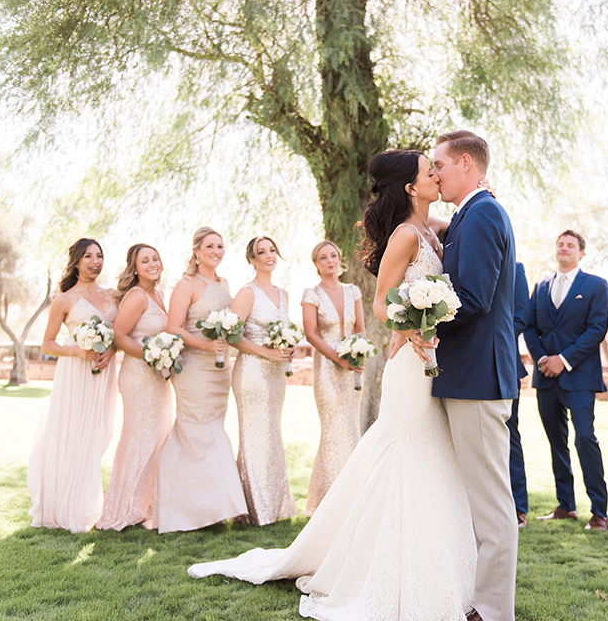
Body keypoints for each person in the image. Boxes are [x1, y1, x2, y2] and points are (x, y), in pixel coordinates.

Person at [189, 149, 478, 621]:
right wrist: (412, 328)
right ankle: (385, 571)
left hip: (434, 358)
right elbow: (383, 304)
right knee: (408, 454)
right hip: (411, 363)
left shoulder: (436, 229)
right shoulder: (406, 235)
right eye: (430, 170)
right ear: (410, 187)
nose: (436, 174)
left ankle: (437, 563)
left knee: (431, 456)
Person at [432, 130, 518, 621]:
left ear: (465, 163)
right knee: (480, 499)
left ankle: (491, 610)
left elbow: (475, 297)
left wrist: (420, 314)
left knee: (491, 504)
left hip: (479, 376)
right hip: (467, 373)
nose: (435, 174)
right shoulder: (471, 213)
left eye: (440, 165)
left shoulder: (484, 212)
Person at [151, 227, 247, 533]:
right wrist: (206, 345)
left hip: (221, 367)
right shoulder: (187, 284)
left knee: (212, 429)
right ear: (196, 251)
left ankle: (212, 509)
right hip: (194, 368)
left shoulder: (225, 283)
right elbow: (173, 327)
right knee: (195, 432)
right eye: (210, 246)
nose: (216, 251)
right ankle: (181, 510)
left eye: (220, 246)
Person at [28, 238, 118, 533]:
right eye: (88, 256)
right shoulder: (64, 300)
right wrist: (79, 351)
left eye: (99, 256)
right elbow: (48, 344)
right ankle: (72, 509)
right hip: (75, 375)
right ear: (77, 261)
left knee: (98, 435)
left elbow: (121, 333)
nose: (95, 261)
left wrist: (111, 350)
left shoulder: (114, 296)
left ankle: (88, 504)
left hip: (103, 375)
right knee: (75, 437)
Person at [523, 230, 608, 531]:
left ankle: (599, 512)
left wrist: (565, 360)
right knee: (556, 442)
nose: (564, 248)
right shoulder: (541, 285)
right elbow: (529, 326)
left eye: (570, 245)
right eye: (560, 244)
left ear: (581, 253)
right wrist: (543, 359)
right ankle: (566, 505)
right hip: (546, 376)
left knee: (585, 438)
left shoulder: (596, 286)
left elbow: (596, 329)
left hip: (580, 378)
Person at [96, 244, 174, 531]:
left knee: (158, 438)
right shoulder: (138, 295)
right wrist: (151, 355)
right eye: (145, 260)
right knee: (138, 438)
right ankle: (123, 507)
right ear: (135, 267)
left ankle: (146, 504)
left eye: (155, 258)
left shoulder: (159, 295)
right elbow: (119, 334)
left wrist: (163, 357)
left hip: (158, 376)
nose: (152, 263)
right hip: (139, 376)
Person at [229, 235, 298, 525]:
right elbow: (231, 334)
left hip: (275, 373)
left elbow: (285, 330)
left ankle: (275, 503)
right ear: (252, 259)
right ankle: (255, 508)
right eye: (261, 252)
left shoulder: (283, 294)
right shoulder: (247, 292)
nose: (268, 255)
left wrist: (288, 346)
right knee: (254, 435)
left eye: (272, 250)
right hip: (252, 371)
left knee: (272, 434)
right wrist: (265, 352)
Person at [301, 240, 366, 516]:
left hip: (353, 369)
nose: (330, 260)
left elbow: (360, 328)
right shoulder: (311, 294)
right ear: (316, 263)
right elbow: (311, 334)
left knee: (351, 428)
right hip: (327, 369)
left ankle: (354, 497)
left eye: (334, 256)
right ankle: (325, 501)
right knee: (332, 431)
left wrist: (359, 354)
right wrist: (338, 358)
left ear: (341, 260)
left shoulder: (353, 291)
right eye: (323, 257)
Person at [507, 261, 530, 528]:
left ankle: (517, 506)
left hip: (506, 366)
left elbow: (521, 315)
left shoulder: (516, 268)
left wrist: (489, 342)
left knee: (509, 436)